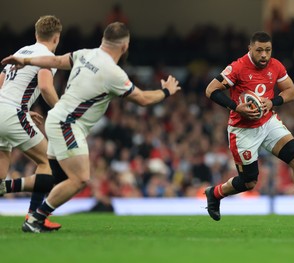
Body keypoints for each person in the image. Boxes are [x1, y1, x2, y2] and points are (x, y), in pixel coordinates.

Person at [1, 22, 181, 233]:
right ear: (125, 46)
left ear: (104, 40)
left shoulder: (85, 54)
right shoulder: (113, 73)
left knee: (56, 178)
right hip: (68, 124)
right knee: (80, 179)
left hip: (56, 118)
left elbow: (56, 61)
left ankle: (10, 190)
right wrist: (166, 91)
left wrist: (25, 59)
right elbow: (142, 98)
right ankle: (36, 219)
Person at [204, 31, 294, 226]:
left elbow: (291, 91)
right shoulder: (237, 67)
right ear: (250, 49)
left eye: (267, 50)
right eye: (259, 50)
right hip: (243, 131)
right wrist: (236, 107)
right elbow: (210, 90)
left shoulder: (276, 65)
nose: (264, 55)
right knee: (249, 182)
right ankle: (214, 193)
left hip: (268, 123)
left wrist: (272, 102)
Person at [0, 15, 63, 230]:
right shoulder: (47, 56)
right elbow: (45, 87)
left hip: (4, 109)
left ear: (36, 35)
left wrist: (24, 110)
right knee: (48, 162)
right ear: (56, 39)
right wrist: (62, 112)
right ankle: (34, 218)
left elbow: (1, 84)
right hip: (11, 113)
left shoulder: (21, 52)